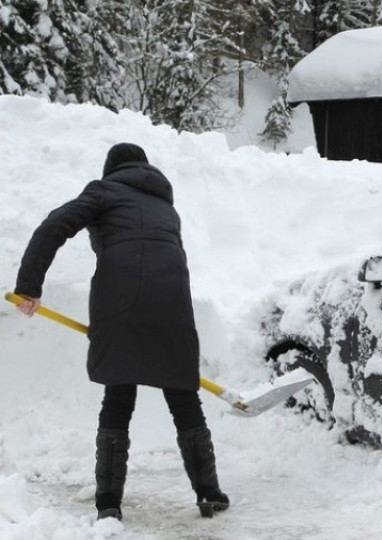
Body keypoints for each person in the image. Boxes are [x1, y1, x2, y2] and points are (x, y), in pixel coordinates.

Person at [13, 143, 229, 521]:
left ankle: (109, 504)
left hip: (121, 299)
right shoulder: (166, 208)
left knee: (118, 394)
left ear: (111, 169)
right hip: (173, 302)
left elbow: (54, 225)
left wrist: (29, 285)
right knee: (182, 396)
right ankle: (209, 493)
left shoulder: (103, 190)